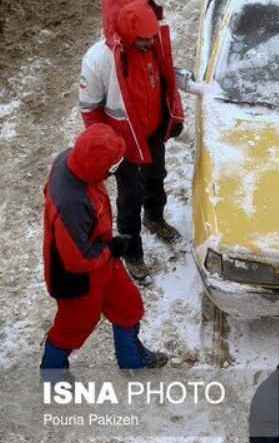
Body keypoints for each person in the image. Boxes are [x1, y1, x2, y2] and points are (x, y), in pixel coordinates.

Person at [41, 124, 169, 371]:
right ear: (95, 168)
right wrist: (111, 248)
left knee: (128, 304)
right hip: (77, 279)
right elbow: (77, 259)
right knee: (73, 329)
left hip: (102, 261)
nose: (115, 171)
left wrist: (107, 248)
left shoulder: (73, 159)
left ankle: (132, 362)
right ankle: (52, 376)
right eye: (112, 167)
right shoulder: (72, 204)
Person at [79, 0, 185, 283]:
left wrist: (175, 116)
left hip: (151, 134)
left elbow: (166, 82)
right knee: (129, 197)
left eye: (152, 37)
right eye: (143, 39)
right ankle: (132, 251)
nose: (150, 43)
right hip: (122, 145)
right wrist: (106, 150)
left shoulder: (152, 45)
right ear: (127, 33)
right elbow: (89, 110)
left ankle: (154, 217)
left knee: (156, 178)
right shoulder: (99, 59)